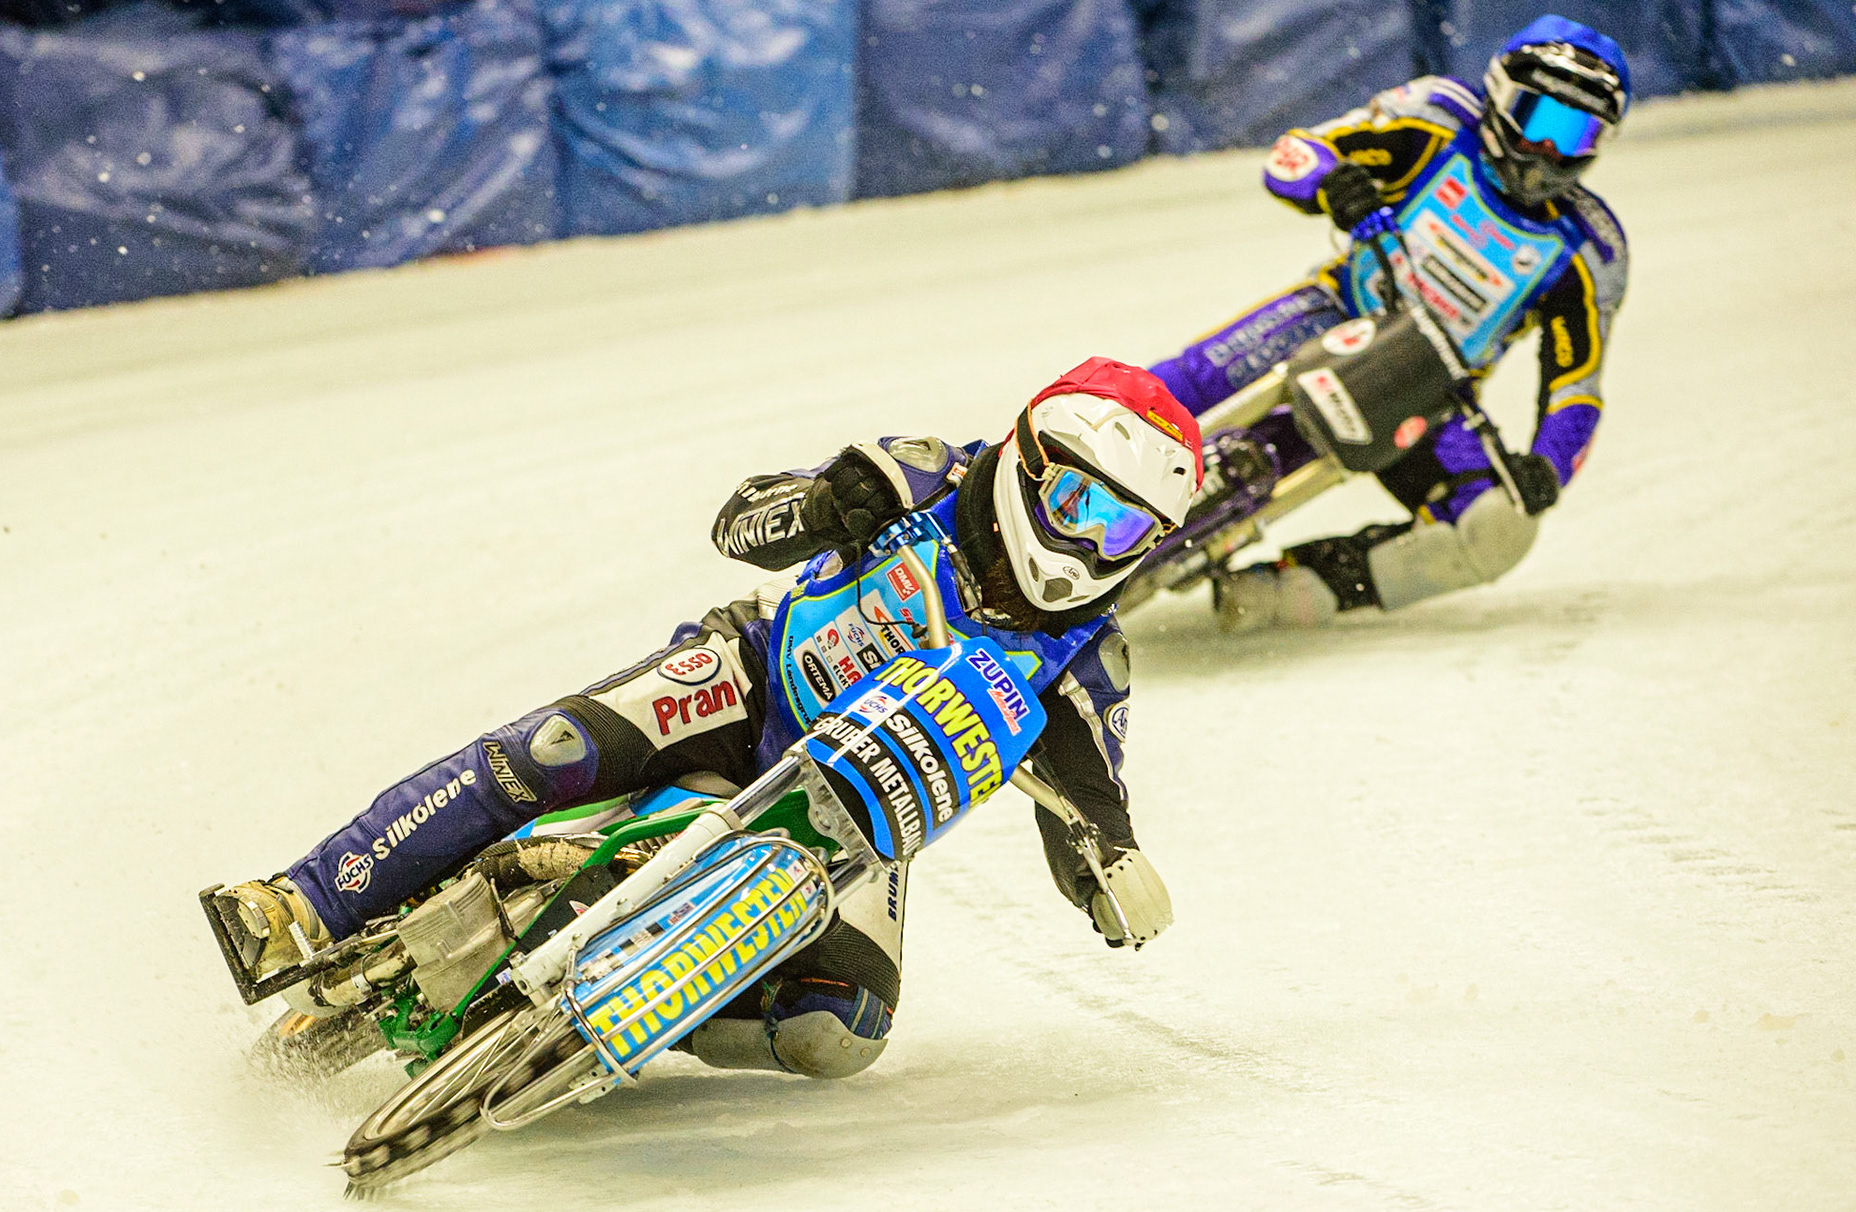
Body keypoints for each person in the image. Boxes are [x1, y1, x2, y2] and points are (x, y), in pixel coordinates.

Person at [209, 357, 1200, 1080]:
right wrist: (819, 505)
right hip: (746, 679)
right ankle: (299, 900)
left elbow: (1094, 805)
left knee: (839, 1031)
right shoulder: (924, 472)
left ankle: (646, 1004)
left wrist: (1111, 867)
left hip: (858, 818)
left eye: (1122, 527)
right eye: (1074, 497)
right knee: (545, 752)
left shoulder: (1086, 662)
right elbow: (739, 521)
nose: (1085, 542)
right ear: (1029, 458)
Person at [1149, 14, 1630, 632]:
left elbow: (1576, 388)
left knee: (1497, 530)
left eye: (1577, 133)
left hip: (1429, 393)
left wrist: (1549, 466)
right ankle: (1045, 459)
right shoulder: (1436, 116)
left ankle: (1289, 591)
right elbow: (1295, 155)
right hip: (1336, 309)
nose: (1549, 151)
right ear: (1503, 97)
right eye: (1544, 121)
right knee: (1183, 387)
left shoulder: (1590, 249)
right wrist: (1334, 183)